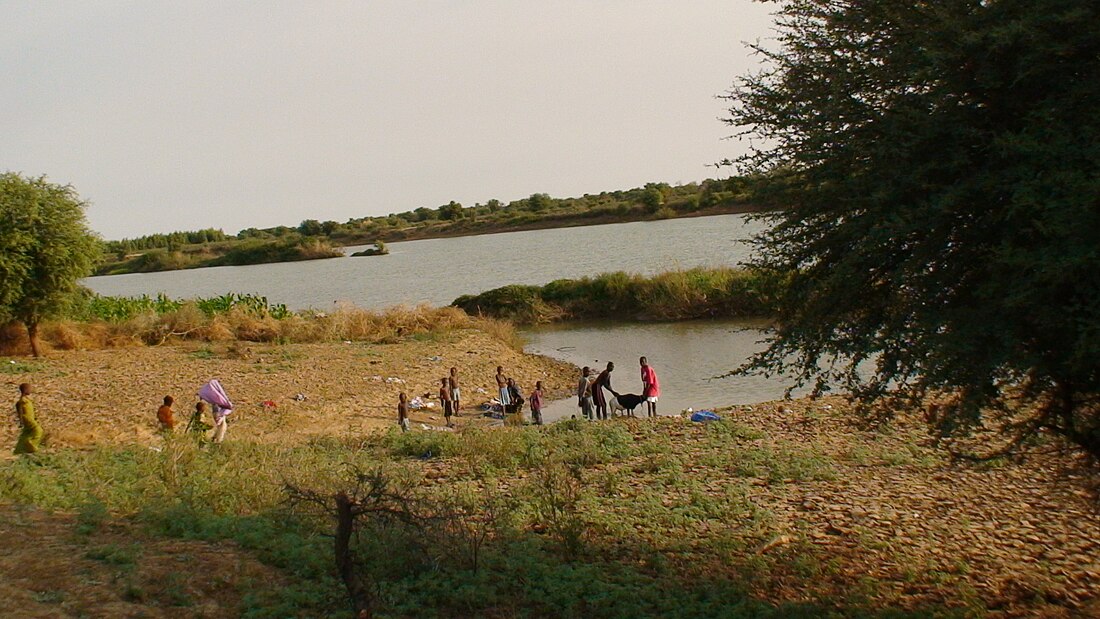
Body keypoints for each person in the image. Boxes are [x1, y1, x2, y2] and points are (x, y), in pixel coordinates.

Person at [13, 383, 44, 455]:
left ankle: (19, 450)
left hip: (29, 418)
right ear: (26, 390)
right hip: (28, 419)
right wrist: (21, 420)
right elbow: (20, 411)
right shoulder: (22, 401)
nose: (31, 390)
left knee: (26, 433)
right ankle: (31, 445)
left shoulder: (26, 399)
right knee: (38, 431)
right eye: (30, 389)